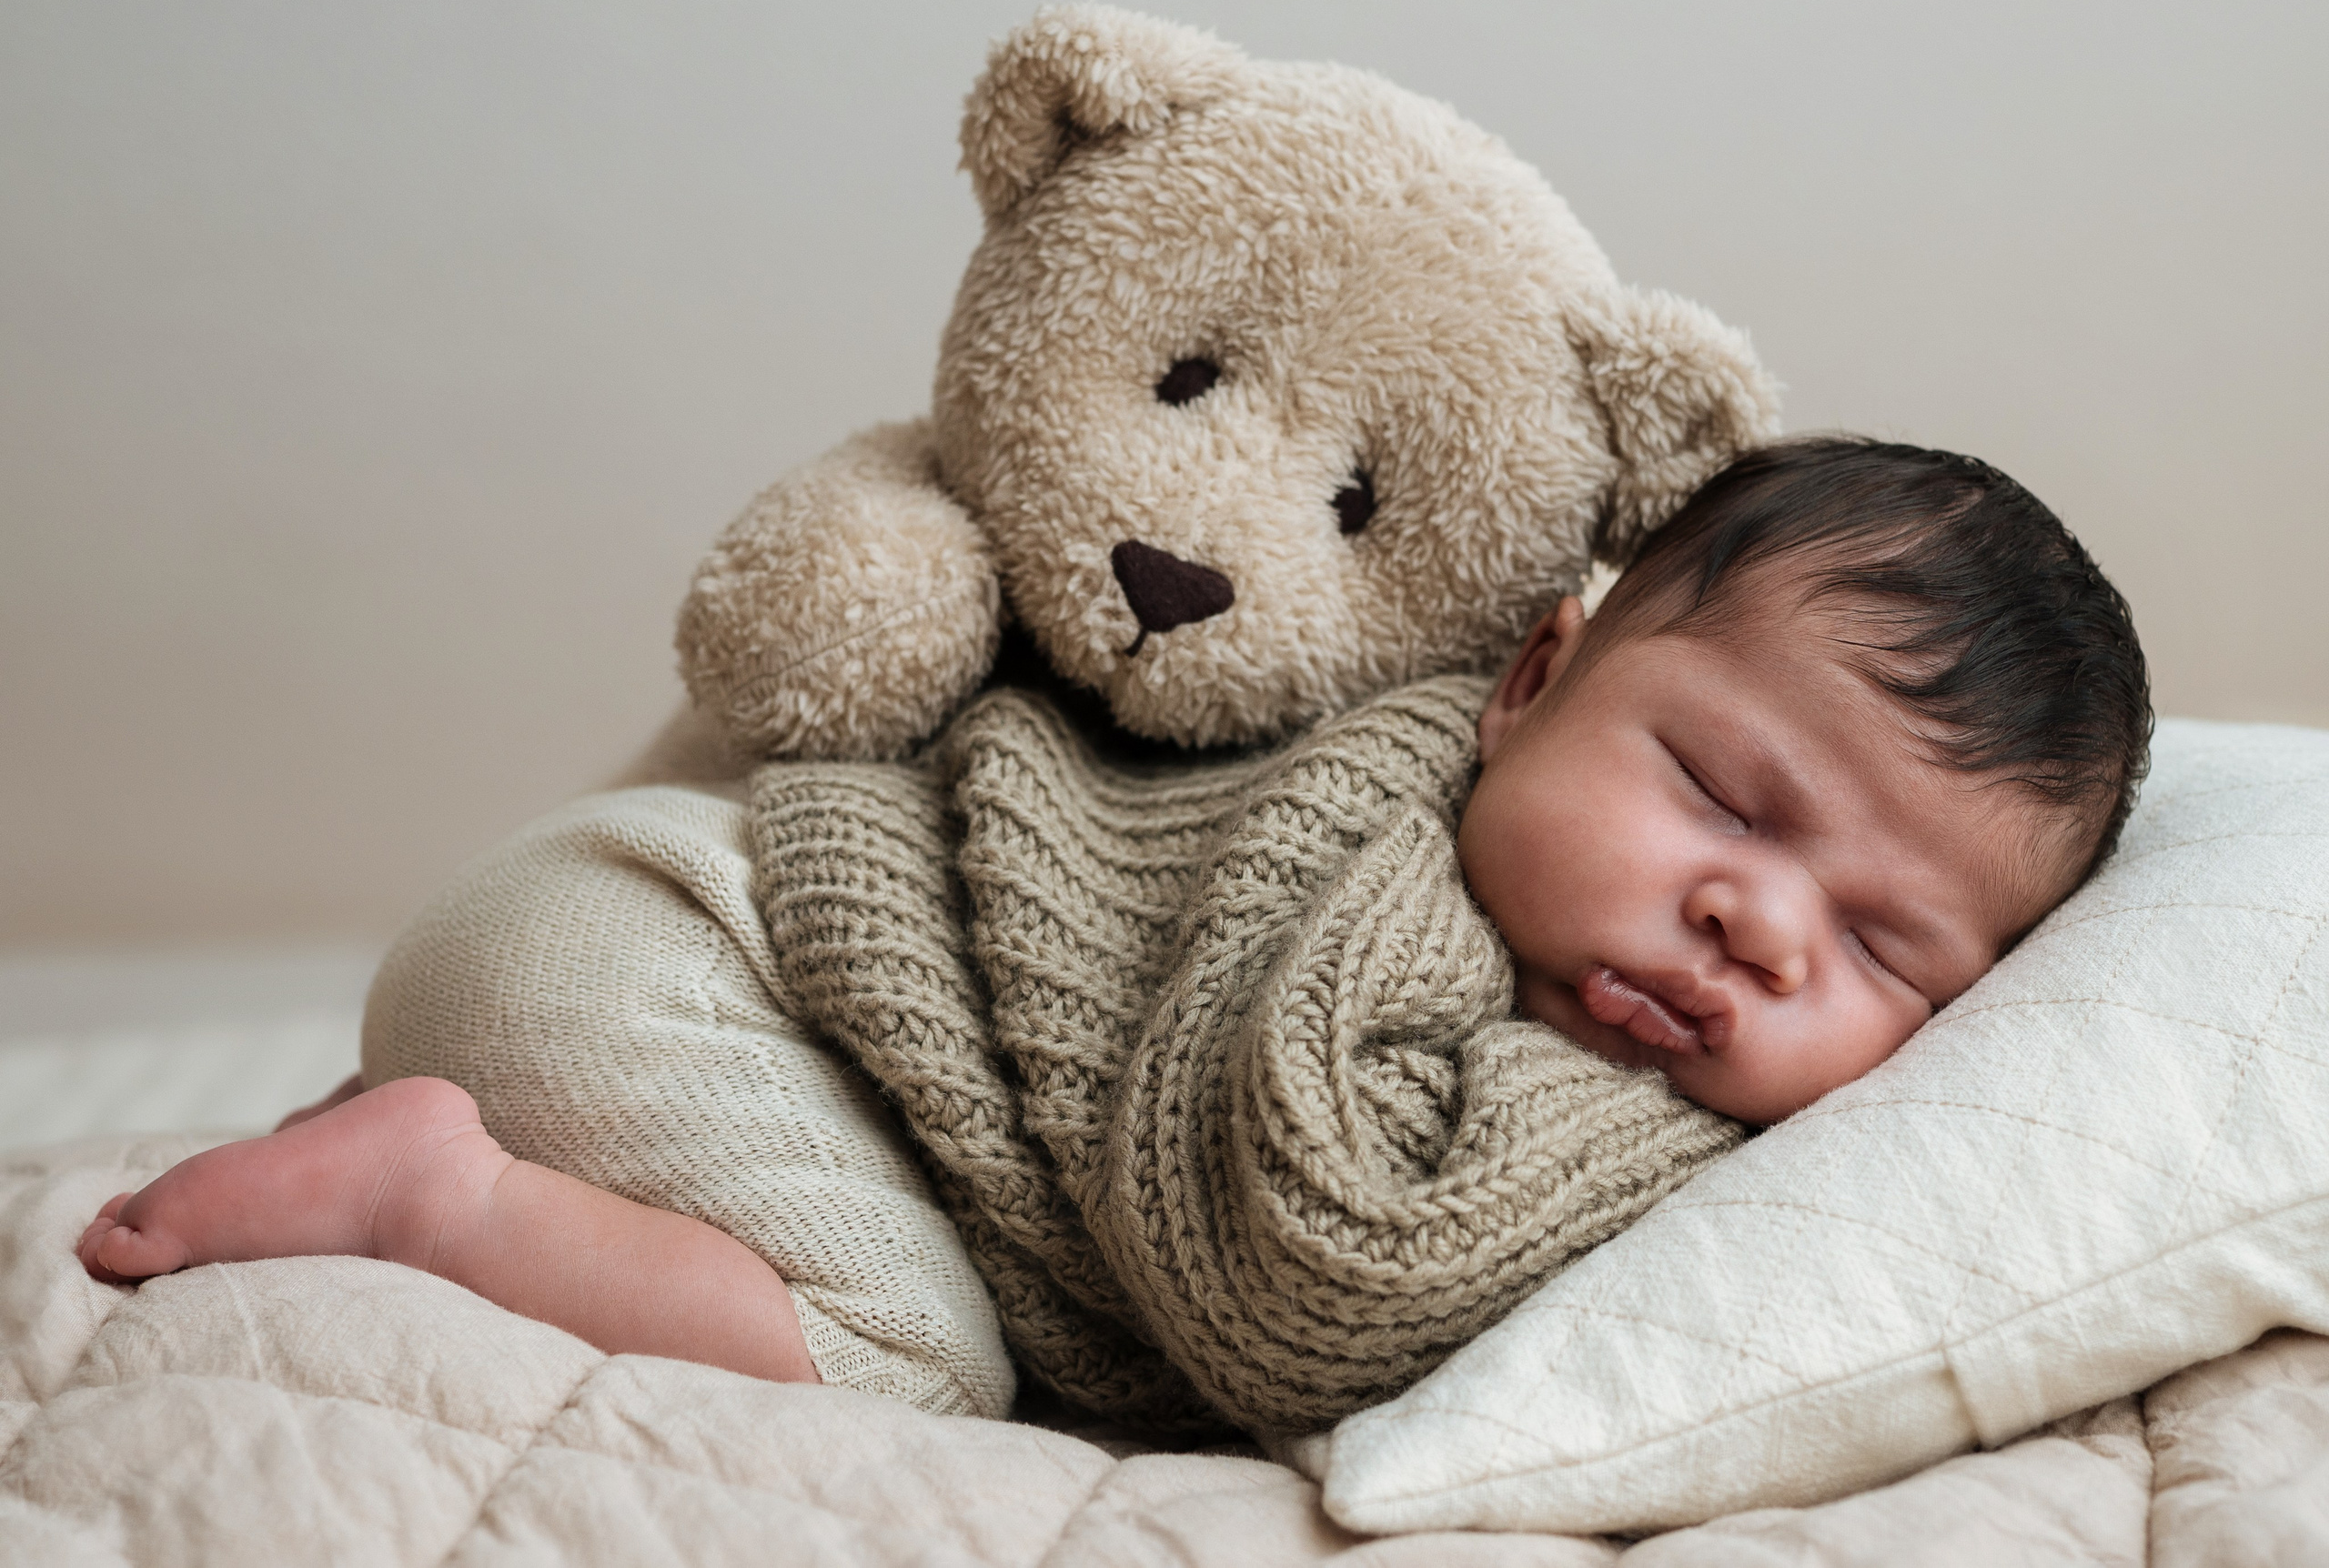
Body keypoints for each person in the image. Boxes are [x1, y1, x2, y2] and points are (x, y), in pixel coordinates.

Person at [75, 436, 2153, 1396]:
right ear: (1529, 683)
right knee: (900, 1368)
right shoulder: (1388, 869)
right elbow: (1317, 1275)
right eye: (1716, 791)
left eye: (1884, 954)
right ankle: (436, 1194)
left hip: (664, 985)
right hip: (665, 954)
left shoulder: (1556, 931)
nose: (1752, 928)